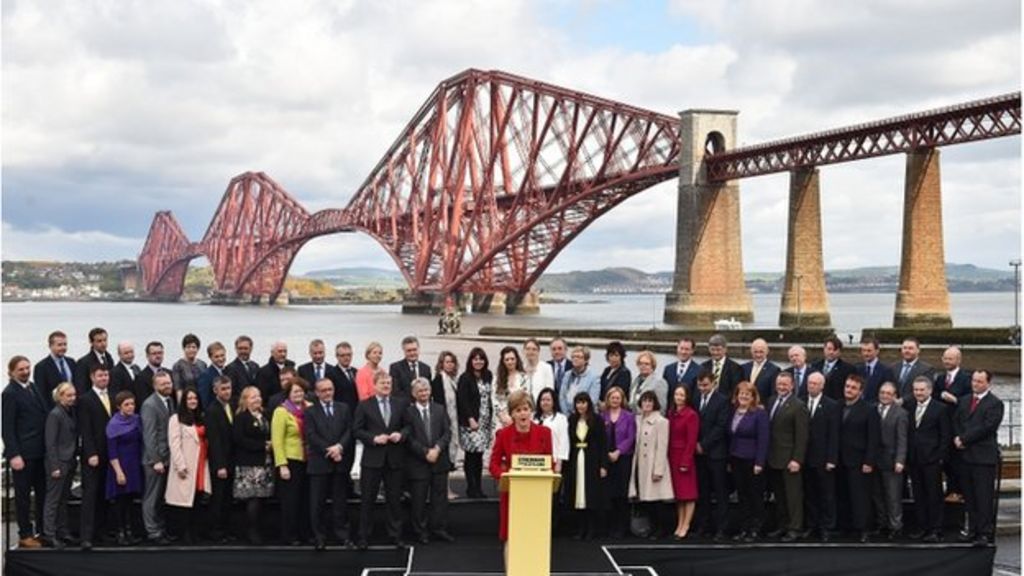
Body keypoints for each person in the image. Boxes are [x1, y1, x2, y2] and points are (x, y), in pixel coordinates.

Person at [489, 390, 553, 550]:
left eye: (526, 409)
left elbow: (549, 464)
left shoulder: (545, 433)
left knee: (534, 537)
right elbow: (493, 464)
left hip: (537, 494)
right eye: (518, 410)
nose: (523, 413)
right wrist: (505, 477)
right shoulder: (503, 434)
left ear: (531, 411)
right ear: (512, 414)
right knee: (512, 537)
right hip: (512, 493)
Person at [354, 370, 409, 549]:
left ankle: (396, 535)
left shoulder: (400, 403)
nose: (386, 386)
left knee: (394, 500)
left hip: (394, 459)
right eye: (383, 383)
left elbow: (408, 426)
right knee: (367, 500)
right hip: (372, 459)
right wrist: (373, 438)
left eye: (388, 383)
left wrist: (400, 435)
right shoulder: (364, 405)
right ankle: (363, 536)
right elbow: (357, 430)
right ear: (375, 385)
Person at [954, 369, 1005, 545]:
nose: (975, 384)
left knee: (983, 497)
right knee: (969, 496)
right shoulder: (964, 400)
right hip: (965, 456)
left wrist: (964, 439)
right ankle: (972, 529)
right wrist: (957, 437)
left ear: (988, 383)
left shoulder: (995, 403)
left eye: (979, 381)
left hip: (983, 458)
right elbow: (957, 421)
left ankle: (984, 532)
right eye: (974, 381)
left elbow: (987, 427)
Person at [3, 356, 49, 548]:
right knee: (22, 496)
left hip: (39, 451)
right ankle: (25, 534)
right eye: (21, 369)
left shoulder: (33, 387)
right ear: (11, 372)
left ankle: (42, 530)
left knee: (42, 493)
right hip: (23, 454)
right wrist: (14, 454)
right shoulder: (10, 393)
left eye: (27, 368)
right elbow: (7, 427)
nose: (25, 372)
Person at [305, 377, 353, 550]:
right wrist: (330, 450)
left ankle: (343, 535)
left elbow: (349, 430)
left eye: (330, 389)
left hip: (340, 462)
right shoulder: (310, 412)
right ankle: (319, 537)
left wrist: (339, 447)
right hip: (320, 463)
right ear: (317, 393)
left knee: (340, 502)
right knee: (317, 503)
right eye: (323, 390)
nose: (327, 393)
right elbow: (311, 435)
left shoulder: (343, 408)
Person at [405, 378, 455, 544]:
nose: (424, 393)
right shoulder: (408, 412)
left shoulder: (439, 409)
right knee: (418, 499)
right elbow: (409, 438)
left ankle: (439, 529)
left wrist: (437, 449)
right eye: (420, 391)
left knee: (439, 499)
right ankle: (420, 531)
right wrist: (425, 452)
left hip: (439, 461)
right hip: (418, 462)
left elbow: (447, 433)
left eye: (426, 390)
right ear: (414, 394)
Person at [765, 371, 809, 543]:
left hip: (790, 459)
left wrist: (797, 459)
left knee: (793, 497)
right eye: (779, 384)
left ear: (792, 386)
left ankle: (795, 528)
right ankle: (782, 525)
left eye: (785, 384)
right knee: (780, 495)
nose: (781, 387)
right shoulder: (771, 401)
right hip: (773, 458)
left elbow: (802, 436)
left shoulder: (798, 406)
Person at [166, 387, 212, 544]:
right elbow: (174, 444)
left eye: (195, 398)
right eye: (189, 398)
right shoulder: (176, 418)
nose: (193, 401)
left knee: (198, 498)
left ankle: (195, 532)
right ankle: (184, 533)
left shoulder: (201, 417)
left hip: (201, 463)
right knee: (185, 502)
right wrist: (180, 465)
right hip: (186, 464)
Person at [908, 376, 951, 542]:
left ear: (930, 390)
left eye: (921, 390)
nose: (918, 393)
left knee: (934, 496)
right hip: (914, 459)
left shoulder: (940, 409)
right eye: (916, 390)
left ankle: (936, 529)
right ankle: (922, 527)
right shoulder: (909, 405)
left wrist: (940, 458)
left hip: (932, 459)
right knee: (918, 495)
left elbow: (945, 435)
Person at [838, 374, 880, 543]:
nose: (849, 390)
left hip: (860, 461)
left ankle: (864, 529)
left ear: (860, 391)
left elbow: (873, 438)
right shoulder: (838, 406)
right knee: (843, 495)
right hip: (840, 460)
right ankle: (847, 527)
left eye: (853, 388)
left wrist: (869, 461)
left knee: (860, 497)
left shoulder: (869, 410)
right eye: (847, 386)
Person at [272, 378, 312, 545]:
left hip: (308, 460)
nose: (298, 394)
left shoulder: (309, 408)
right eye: (295, 391)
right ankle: (290, 535)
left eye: (301, 391)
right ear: (288, 393)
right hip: (290, 461)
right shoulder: (281, 411)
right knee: (291, 501)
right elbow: (277, 441)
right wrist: (282, 465)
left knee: (305, 500)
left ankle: (305, 533)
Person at [727, 381, 768, 542]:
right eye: (741, 393)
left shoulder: (759, 413)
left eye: (747, 394)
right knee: (742, 495)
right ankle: (744, 528)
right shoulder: (734, 411)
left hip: (752, 460)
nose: (743, 396)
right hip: (736, 459)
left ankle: (756, 528)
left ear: (753, 397)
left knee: (755, 495)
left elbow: (763, 439)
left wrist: (760, 462)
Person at [232, 386, 274, 544]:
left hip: (265, 463)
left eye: (259, 396)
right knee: (253, 498)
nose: (257, 399)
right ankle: (251, 531)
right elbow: (239, 439)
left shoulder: (266, 415)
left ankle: (262, 529)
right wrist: (262, 445)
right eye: (253, 397)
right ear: (245, 400)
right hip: (249, 464)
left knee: (262, 498)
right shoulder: (241, 418)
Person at [78, 364, 113, 550]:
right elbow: (85, 429)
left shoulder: (113, 396)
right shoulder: (85, 399)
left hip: (110, 454)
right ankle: (86, 536)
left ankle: (101, 532)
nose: (104, 378)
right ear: (92, 377)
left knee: (104, 495)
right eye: (100, 375)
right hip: (93, 455)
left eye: (106, 375)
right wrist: (91, 453)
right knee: (90, 496)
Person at [565, 392, 608, 540]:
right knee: (577, 494)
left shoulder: (597, 420)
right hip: (576, 460)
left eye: (583, 402)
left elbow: (603, 443)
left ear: (588, 404)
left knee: (591, 495)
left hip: (592, 461)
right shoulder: (572, 420)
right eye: (578, 402)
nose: (580, 405)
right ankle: (580, 528)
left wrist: (603, 465)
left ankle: (591, 529)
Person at [692, 369, 729, 541]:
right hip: (699, 454)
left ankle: (722, 528)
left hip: (716, 453)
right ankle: (703, 526)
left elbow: (721, 427)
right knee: (703, 492)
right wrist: (695, 444)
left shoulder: (722, 400)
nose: (702, 388)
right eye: (700, 385)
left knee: (720, 492)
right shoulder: (696, 398)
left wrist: (704, 444)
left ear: (713, 383)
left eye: (705, 385)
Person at [804, 372, 840, 542]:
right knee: (810, 494)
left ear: (822, 386)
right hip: (805, 457)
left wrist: (832, 459)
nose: (811, 386)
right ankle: (812, 525)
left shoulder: (831, 405)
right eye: (810, 383)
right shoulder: (801, 402)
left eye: (815, 384)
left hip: (824, 458)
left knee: (827, 495)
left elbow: (834, 434)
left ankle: (827, 527)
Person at [106, 391, 145, 546]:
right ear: (119, 407)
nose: (130, 407)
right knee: (120, 501)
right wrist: (119, 472)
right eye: (126, 404)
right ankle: (120, 532)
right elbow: (112, 451)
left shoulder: (137, 420)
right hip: (120, 465)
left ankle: (130, 531)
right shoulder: (113, 424)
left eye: (132, 404)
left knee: (130, 500)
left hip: (134, 464)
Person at [42, 383, 78, 549]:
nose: (72, 398)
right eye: (68, 395)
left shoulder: (70, 412)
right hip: (58, 463)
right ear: (60, 396)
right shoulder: (55, 415)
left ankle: (62, 531)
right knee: (53, 500)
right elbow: (50, 443)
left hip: (69, 461)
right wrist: (54, 466)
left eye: (73, 395)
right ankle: (49, 534)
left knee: (63, 500)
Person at [141, 369, 175, 545]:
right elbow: (149, 435)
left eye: (169, 383)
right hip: (155, 460)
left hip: (168, 457)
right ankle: (152, 531)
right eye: (163, 384)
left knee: (161, 497)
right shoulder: (149, 405)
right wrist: (156, 460)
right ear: (155, 386)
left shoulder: (170, 401)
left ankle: (161, 528)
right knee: (152, 497)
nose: (167, 386)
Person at [933, 346, 970, 503]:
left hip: (958, 427)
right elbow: (934, 397)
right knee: (945, 461)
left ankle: (957, 492)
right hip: (942, 427)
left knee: (957, 462)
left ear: (958, 360)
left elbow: (970, 401)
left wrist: (955, 400)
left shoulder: (966, 379)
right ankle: (948, 492)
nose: (947, 361)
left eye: (950, 359)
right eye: (945, 358)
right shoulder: (940, 379)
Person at [456, 348, 494, 499]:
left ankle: (478, 487)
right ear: (470, 361)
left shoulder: (488, 375)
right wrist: (470, 418)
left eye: (481, 359)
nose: (478, 362)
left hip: (484, 422)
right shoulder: (465, 377)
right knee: (471, 455)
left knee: (479, 455)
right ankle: (471, 487)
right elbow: (462, 400)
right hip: (470, 423)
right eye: (475, 359)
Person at [873, 382, 908, 538]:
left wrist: (900, 460)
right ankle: (882, 524)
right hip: (875, 460)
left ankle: (896, 526)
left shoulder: (901, 413)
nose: (884, 396)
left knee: (893, 496)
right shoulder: (873, 409)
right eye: (882, 392)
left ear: (894, 396)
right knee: (877, 495)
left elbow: (902, 439)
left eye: (888, 393)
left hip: (892, 460)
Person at [601, 386, 635, 538]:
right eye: (612, 398)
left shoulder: (629, 416)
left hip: (623, 458)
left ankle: (622, 528)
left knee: (621, 494)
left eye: (617, 398)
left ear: (622, 400)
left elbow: (631, 437)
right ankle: (610, 526)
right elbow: (600, 437)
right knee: (609, 494)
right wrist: (607, 453)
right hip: (607, 458)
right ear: (608, 399)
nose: (615, 400)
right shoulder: (602, 416)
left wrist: (618, 451)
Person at [205, 376, 236, 543]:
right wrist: (220, 466)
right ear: (215, 390)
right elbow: (214, 440)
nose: (227, 392)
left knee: (228, 499)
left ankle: (226, 529)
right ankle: (215, 531)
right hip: (220, 463)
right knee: (218, 498)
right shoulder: (212, 410)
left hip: (232, 460)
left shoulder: (232, 406)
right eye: (223, 389)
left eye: (228, 388)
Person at [667, 385, 699, 540]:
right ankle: (679, 523)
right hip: (672, 455)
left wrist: (686, 461)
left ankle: (686, 525)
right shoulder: (671, 413)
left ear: (687, 397)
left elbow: (691, 441)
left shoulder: (691, 415)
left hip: (684, 456)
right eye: (676, 394)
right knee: (679, 495)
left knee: (688, 494)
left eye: (681, 395)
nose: (678, 398)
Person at [432, 350, 463, 496]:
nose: (450, 365)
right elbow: (438, 404)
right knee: (444, 457)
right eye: (447, 362)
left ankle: (446, 489)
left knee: (451, 455)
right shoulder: (438, 380)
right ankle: (444, 490)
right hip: (444, 423)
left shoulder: (453, 380)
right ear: (441, 364)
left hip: (454, 422)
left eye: (452, 362)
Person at [34, 331, 77, 409]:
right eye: (59, 345)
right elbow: (41, 394)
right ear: (50, 346)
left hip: (73, 408)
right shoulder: (41, 367)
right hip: (54, 410)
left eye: (65, 344)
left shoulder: (71, 362)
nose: (63, 348)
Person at [811, 335, 857, 400]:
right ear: (824, 349)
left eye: (835, 350)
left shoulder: (848, 369)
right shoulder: (815, 366)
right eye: (829, 349)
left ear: (839, 352)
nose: (831, 352)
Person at [893, 338, 934, 408]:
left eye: (910, 348)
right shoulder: (893, 367)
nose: (907, 351)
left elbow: (926, 390)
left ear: (918, 350)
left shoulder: (927, 369)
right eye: (904, 348)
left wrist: (903, 400)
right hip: (894, 407)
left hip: (914, 407)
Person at [559, 346, 600, 414]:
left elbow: (593, 400)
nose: (575, 359)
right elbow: (562, 397)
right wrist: (567, 414)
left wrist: (579, 415)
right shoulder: (567, 375)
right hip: (568, 414)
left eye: (578, 357)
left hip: (586, 414)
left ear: (586, 360)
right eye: (573, 357)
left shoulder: (594, 377)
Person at [494, 346, 527, 430]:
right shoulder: (497, 378)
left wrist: (515, 416)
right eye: (507, 359)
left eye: (512, 359)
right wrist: (502, 416)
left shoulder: (524, 377)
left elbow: (526, 397)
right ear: (503, 361)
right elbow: (493, 399)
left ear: (517, 360)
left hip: (519, 417)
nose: (510, 362)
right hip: (501, 419)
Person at [701, 334, 744, 399]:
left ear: (725, 349)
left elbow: (735, 390)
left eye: (718, 350)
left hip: (727, 403)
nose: (715, 352)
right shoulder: (703, 367)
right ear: (709, 349)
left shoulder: (735, 368)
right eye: (713, 349)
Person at [74, 327, 115, 393]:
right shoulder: (83, 362)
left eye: (105, 340)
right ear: (91, 342)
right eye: (99, 341)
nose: (103, 344)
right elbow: (81, 387)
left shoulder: (109, 359)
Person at [855, 337, 895, 402]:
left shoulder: (886, 371)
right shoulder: (857, 368)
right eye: (863, 350)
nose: (866, 354)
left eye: (869, 351)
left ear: (877, 351)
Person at [742, 338, 780, 405]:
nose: (758, 355)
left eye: (761, 352)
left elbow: (774, 395)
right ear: (751, 351)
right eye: (755, 352)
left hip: (762, 407)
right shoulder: (743, 368)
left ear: (767, 351)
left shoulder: (774, 370)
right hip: (744, 406)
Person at [256, 341, 295, 405]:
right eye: (280, 351)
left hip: (293, 404)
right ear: (272, 353)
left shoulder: (292, 368)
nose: (283, 354)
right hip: (274, 405)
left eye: (285, 351)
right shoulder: (263, 372)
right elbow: (263, 395)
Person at [171, 334, 207, 400]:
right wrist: (181, 404)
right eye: (188, 347)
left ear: (198, 349)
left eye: (193, 347)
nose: (191, 349)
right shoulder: (178, 366)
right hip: (187, 400)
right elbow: (178, 389)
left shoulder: (202, 364)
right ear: (184, 348)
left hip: (201, 399)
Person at [225, 335, 260, 400]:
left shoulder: (255, 366)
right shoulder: (230, 368)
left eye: (245, 348)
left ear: (251, 349)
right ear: (236, 349)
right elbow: (231, 393)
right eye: (240, 348)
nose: (243, 351)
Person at [197, 341, 228, 409]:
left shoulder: (228, 372)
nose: (220, 359)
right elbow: (204, 401)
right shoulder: (205, 376)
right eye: (216, 357)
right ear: (210, 357)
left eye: (222, 355)